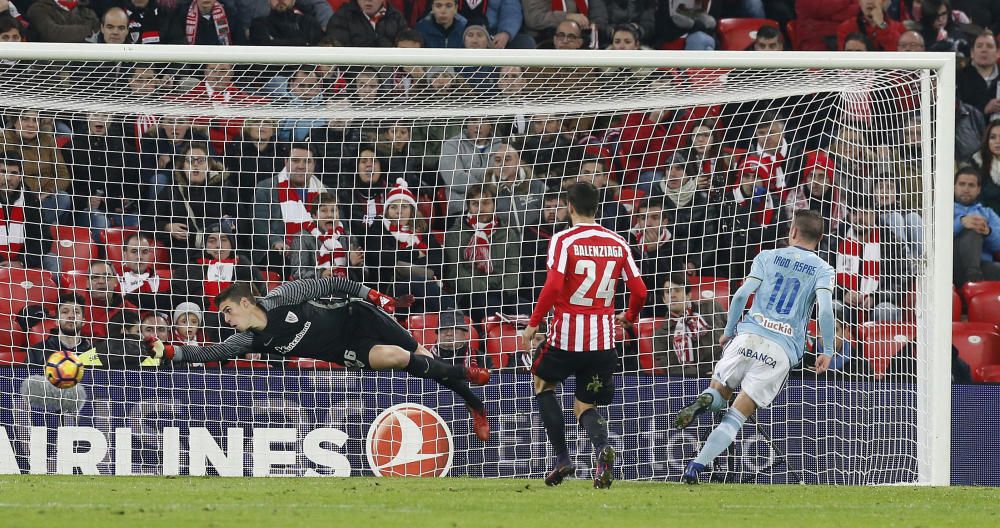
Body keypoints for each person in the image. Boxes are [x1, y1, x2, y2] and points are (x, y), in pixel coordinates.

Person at [142, 277, 492, 440]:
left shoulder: (284, 297)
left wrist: (375, 295)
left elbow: (330, 283)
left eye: (229, 312)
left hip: (358, 316)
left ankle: (474, 403)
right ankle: (466, 373)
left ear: (246, 303)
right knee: (399, 358)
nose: (228, 321)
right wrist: (169, 351)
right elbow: (210, 352)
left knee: (420, 355)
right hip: (346, 350)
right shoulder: (248, 338)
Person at [675, 209, 836, 484]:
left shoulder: (767, 256)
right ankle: (696, 466)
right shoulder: (823, 269)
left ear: (792, 232)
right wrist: (828, 349)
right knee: (735, 418)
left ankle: (706, 400)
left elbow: (740, 295)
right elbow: (824, 312)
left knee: (718, 394)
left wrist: (728, 332)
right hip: (780, 350)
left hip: (747, 337)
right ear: (820, 239)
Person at [521, 181, 648, 489]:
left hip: (566, 337)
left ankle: (563, 458)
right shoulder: (618, 242)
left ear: (570, 206)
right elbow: (640, 291)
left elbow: (552, 287)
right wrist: (629, 318)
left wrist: (533, 324)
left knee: (543, 385)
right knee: (585, 405)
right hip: (603, 341)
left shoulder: (563, 240)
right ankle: (601, 447)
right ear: (597, 207)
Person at [954, 166, 1000, 284]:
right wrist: (961, 223)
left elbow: (998, 245)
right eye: (962, 184)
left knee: (975, 226)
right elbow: (936, 238)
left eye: (971, 185)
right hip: (950, 265)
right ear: (954, 186)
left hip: (982, 266)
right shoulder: (943, 210)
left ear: (979, 189)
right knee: (973, 229)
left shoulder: (988, 213)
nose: (966, 189)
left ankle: (974, 276)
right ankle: (973, 277)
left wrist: (988, 232)